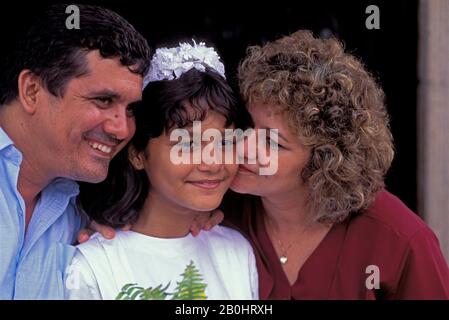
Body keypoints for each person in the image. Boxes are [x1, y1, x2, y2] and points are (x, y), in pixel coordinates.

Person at [221, 30, 449, 299]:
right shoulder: (219, 213)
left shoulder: (400, 241)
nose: (244, 147)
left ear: (323, 161)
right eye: (248, 125)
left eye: (273, 143)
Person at [65, 41, 258, 300]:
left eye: (224, 142)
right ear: (137, 154)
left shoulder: (236, 252)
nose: (213, 163)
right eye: (188, 144)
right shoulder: (92, 266)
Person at [0, 3, 152, 299]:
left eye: (131, 108)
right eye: (104, 100)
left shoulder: (81, 211)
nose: (122, 130)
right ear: (32, 91)